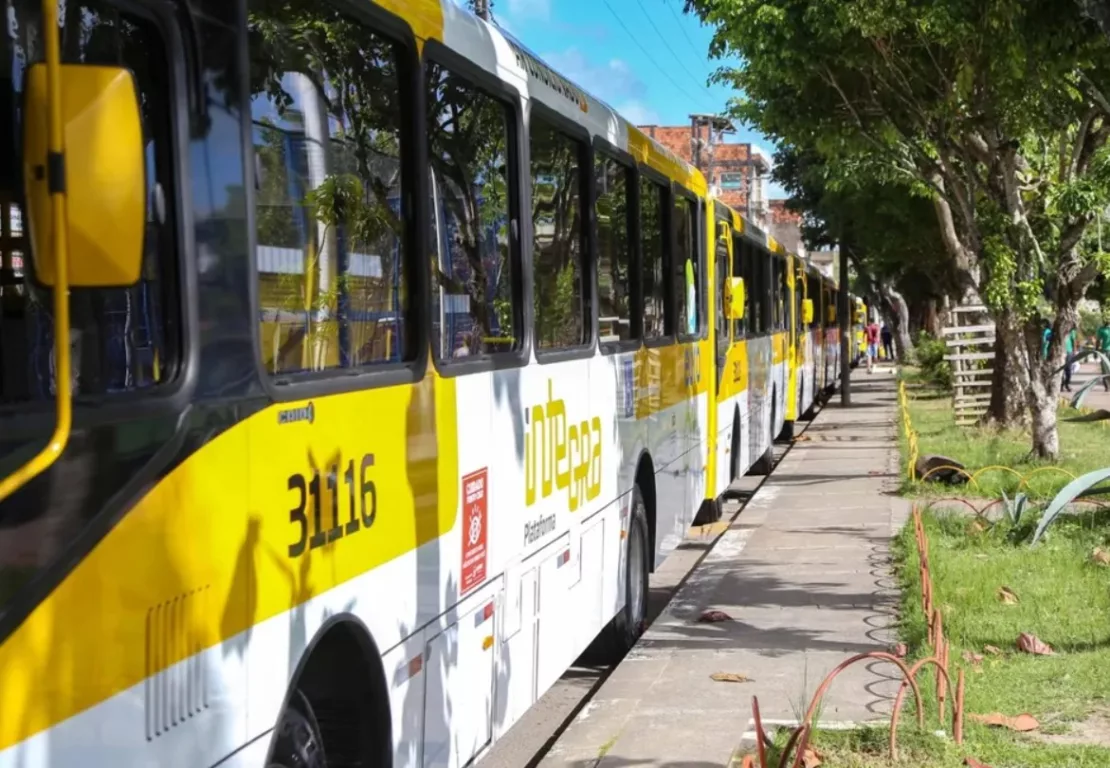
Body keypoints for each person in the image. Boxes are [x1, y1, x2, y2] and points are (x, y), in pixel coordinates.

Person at [1096, 316, 1110, 391]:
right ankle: (1106, 385)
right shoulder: (1101, 329)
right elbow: (1098, 341)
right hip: (1104, 351)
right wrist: (1096, 351)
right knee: (1105, 369)